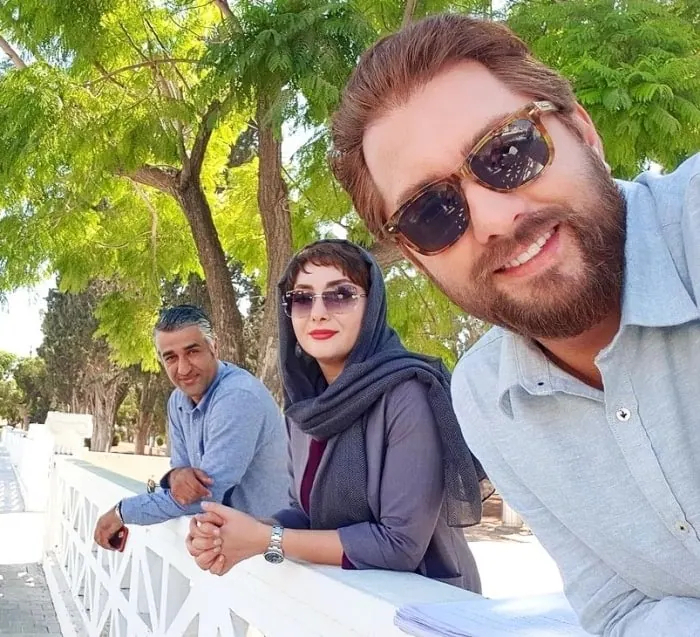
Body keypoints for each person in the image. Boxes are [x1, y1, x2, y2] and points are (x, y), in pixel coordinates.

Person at [328, 13, 700, 636]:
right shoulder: (485, 399)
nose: (494, 219)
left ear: (583, 131)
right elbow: (617, 610)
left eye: (508, 151)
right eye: (430, 212)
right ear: (418, 258)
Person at [186, 240, 486, 592]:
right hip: (342, 601)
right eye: (302, 298)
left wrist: (267, 539)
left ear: (372, 307)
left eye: (340, 295)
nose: (318, 313)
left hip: (422, 603)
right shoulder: (306, 408)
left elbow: (400, 545)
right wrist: (236, 531)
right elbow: (305, 515)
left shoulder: (408, 392)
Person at [93, 304, 288, 549]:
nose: (183, 368)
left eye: (192, 352)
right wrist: (175, 475)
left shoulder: (238, 397)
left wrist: (122, 512)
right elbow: (183, 481)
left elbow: (201, 498)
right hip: (228, 545)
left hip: (277, 551)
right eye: (171, 357)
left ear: (214, 347)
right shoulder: (178, 400)